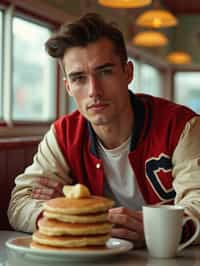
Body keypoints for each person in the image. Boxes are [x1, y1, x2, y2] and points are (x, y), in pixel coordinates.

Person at [8, 13, 200, 248]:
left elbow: (198, 201)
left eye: (105, 71)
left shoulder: (181, 125)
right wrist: (72, 217)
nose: (94, 91)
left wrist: (157, 231)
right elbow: (20, 202)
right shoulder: (63, 134)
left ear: (128, 73)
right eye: (79, 78)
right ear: (68, 86)